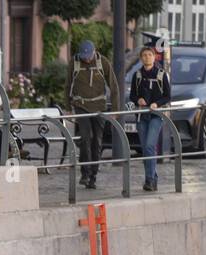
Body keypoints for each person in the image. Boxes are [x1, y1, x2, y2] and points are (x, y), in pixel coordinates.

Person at [67, 39, 122, 188]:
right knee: (85, 138)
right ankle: (85, 173)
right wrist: (67, 107)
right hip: (81, 105)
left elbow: (114, 86)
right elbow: (68, 84)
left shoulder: (102, 62)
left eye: (88, 55)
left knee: (97, 140)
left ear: (94, 51)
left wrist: (116, 110)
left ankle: (93, 176)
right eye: (84, 56)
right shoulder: (75, 62)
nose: (86, 58)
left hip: (99, 106)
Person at [129, 43, 171, 192]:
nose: (147, 57)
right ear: (141, 58)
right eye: (144, 55)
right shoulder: (137, 75)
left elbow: (167, 96)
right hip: (141, 116)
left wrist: (156, 104)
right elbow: (132, 95)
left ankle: (150, 179)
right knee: (146, 149)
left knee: (149, 146)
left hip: (156, 115)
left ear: (154, 57)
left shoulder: (161, 74)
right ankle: (152, 179)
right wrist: (137, 100)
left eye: (150, 55)